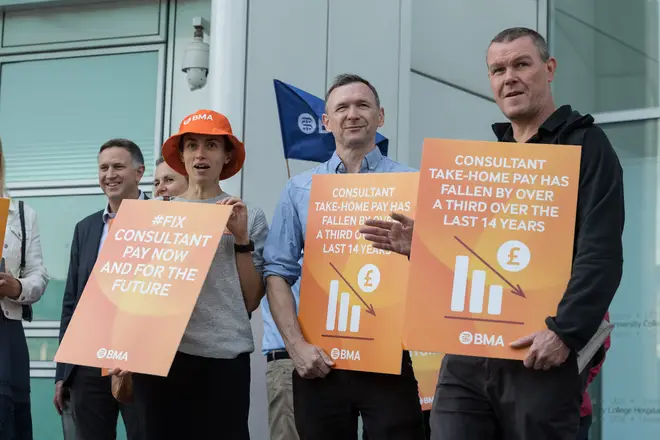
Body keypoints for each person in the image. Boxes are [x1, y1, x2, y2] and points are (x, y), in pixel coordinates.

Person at [360, 27, 624, 440]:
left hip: (538, 353)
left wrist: (565, 332)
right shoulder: (489, 159)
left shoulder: (586, 145)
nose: (509, 77)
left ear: (549, 68)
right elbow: (478, 255)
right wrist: (426, 248)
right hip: (467, 354)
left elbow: (601, 251)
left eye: (522, 64)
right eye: (498, 69)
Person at [263, 73, 426, 440]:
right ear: (326, 121)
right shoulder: (299, 188)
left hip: (391, 359)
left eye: (362, 105)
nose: (353, 114)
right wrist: (296, 347)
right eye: (342, 107)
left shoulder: (414, 184)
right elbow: (276, 273)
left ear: (380, 116)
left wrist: (419, 250)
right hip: (320, 361)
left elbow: (439, 270)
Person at [112, 109, 269, 440]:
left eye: (212, 145)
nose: (201, 154)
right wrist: (121, 350)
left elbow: (252, 300)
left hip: (225, 359)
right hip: (160, 359)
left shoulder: (247, 214)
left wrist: (241, 240)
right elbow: (130, 292)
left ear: (227, 156)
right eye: (192, 145)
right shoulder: (154, 214)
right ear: (180, 155)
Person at [54, 138, 147, 440]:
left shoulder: (164, 219)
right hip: (89, 361)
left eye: (118, 166)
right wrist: (63, 372)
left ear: (139, 172)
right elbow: (72, 302)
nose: (110, 174)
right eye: (103, 168)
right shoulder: (86, 228)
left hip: (143, 360)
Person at [0, 137, 49, 440]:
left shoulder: (20, 213)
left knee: (7, 416)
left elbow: (38, 274)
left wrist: (16, 286)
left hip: (5, 330)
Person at [578, 312, 611, 440]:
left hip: (573, 410)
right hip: (519, 410)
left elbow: (600, 345)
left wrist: (576, 385)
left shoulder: (586, 294)